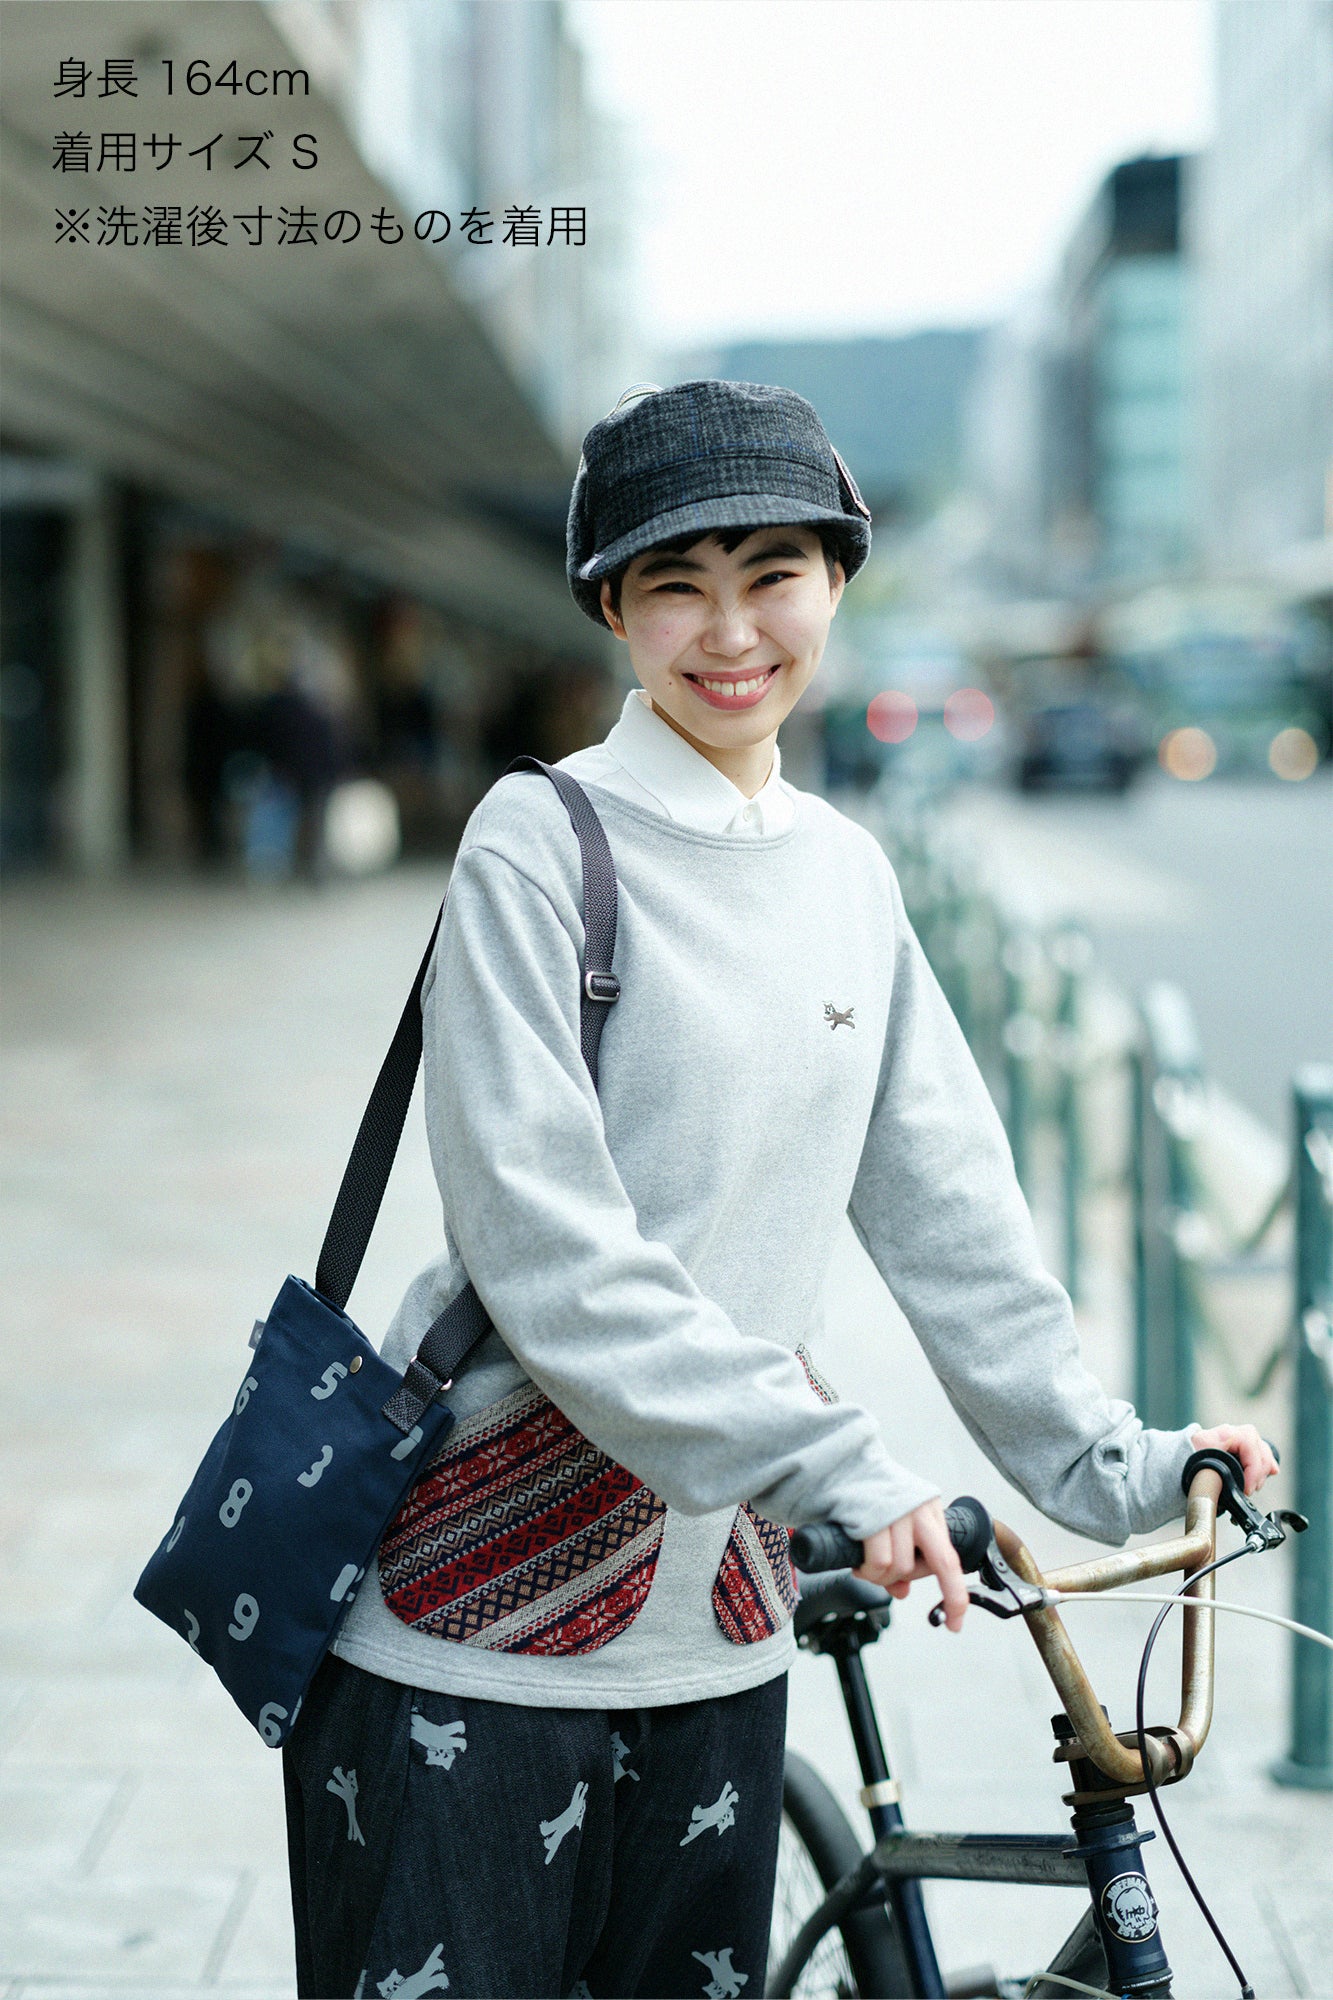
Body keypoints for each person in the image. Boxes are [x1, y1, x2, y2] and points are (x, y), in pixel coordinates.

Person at [282, 380, 1276, 2000]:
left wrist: (1120, 1467)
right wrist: (843, 1464)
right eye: (675, 582)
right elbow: (549, 1253)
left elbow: (952, 1217)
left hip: (725, 1627)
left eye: (773, 574)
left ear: (834, 585)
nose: (729, 629)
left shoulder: (845, 874)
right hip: (475, 1627)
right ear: (610, 607)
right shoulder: (536, 847)